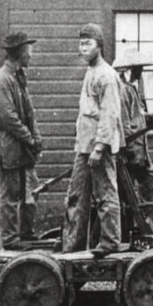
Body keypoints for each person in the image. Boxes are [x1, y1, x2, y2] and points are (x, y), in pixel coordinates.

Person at [63, 23, 124, 257]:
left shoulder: (107, 75)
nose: (83, 48)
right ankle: (73, 245)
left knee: (105, 193)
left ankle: (110, 241)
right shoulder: (90, 72)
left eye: (88, 43)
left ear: (99, 46)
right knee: (76, 196)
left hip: (99, 147)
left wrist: (100, 147)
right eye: (81, 44)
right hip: (84, 146)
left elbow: (110, 114)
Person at [0, 32, 43, 250]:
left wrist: (36, 137)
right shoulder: (2, 79)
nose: (31, 55)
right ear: (20, 53)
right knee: (10, 196)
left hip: (22, 148)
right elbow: (7, 117)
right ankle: (11, 241)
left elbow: (28, 112)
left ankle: (26, 234)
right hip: (8, 148)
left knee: (30, 190)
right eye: (29, 51)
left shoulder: (19, 77)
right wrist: (30, 139)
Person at [112, 48, 153, 227]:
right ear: (128, 70)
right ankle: (144, 230)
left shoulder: (131, 90)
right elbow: (124, 127)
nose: (140, 74)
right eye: (137, 69)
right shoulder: (122, 92)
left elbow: (138, 118)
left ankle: (146, 230)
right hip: (132, 156)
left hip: (140, 154)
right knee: (147, 190)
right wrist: (133, 154)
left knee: (147, 191)